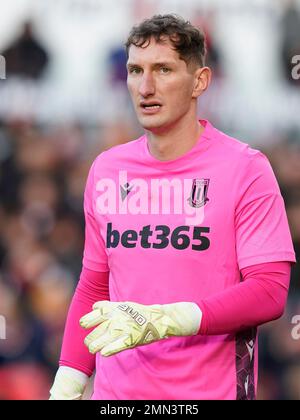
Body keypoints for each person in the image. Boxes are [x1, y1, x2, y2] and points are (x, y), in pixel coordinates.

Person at [49, 14, 296, 400]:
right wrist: (68, 382)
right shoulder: (106, 170)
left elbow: (268, 292)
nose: (145, 87)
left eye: (163, 69)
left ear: (200, 81)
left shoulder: (245, 169)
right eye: (135, 70)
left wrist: (170, 320)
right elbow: (95, 286)